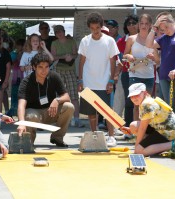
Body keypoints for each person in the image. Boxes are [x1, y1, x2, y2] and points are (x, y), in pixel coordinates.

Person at [78, 12, 120, 147]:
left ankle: (111, 136)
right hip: (88, 81)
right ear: (89, 28)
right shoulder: (85, 41)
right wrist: (80, 80)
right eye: (92, 28)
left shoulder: (109, 41)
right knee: (91, 112)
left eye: (97, 28)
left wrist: (112, 80)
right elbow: (81, 62)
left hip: (104, 82)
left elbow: (113, 61)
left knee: (107, 110)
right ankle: (94, 135)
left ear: (101, 27)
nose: (95, 31)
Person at [17, 52, 74, 147]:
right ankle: (28, 141)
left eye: (46, 67)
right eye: (40, 67)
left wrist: (57, 100)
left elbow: (66, 96)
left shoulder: (54, 76)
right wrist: (21, 123)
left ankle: (57, 138)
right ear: (34, 67)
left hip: (51, 111)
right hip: (34, 114)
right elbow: (21, 105)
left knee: (69, 107)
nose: (44, 70)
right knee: (31, 115)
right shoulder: (26, 81)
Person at [146, 12, 175, 118]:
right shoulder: (164, 38)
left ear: (172, 22)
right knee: (170, 106)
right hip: (164, 76)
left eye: (166, 27)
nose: (166, 30)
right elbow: (148, 44)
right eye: (162, 29)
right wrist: (154, 28)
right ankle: (174, 132)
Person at [122, 83, 175, 157]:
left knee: (139, 151)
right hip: (163, 129)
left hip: (167, 133)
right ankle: (154, 148)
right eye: (132, 96)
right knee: (133, 126)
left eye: (137, 95)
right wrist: (131, 130)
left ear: (144, 93)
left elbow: (143, 128)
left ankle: (173, 144)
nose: (134, 98)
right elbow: (143, 125)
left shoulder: (146, 104)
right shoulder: (146, 101)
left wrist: (136, 148)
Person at [123, 13, 160, 121]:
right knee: (136, 104)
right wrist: (128, 56)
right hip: (134, 75)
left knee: (147, 104)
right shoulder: (131, 39)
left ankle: (145, 130)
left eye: (146, 23)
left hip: (149, 76)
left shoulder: (154, 41)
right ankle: (136, 129)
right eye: (142, 23)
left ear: (150, 25)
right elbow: (124, 56)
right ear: (138, 25)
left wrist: (153, 57)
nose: (144, 26)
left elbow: (158, 61)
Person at [51, 25, 84, 128]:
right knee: (58, 95)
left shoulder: (71, 41)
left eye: (60, 31)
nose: (59, 34)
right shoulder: (54, 43)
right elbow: (53, 57)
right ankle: (58, 118)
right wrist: (64, 56)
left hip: (70, 70)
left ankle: (76, 119)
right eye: (57, 32)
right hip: (58, 70)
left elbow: (76, 54)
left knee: (74, 95)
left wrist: (71, 56)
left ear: (64, 32)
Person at [116, 14, 139, 128]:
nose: (131, 26)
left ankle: (142, 129)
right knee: (129, 101)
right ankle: (129, 128)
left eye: (133, 23)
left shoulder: (145, 38)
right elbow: (121, 58)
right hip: (127, 72)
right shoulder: (121, 41)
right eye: (128, 24)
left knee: (143, 102)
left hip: (143, 73)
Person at [6, 38, 25, 117]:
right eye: (18, 46)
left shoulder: (25, 53)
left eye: (21, 46)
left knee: (22, 94)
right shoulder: (13, 53)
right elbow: (10, 63)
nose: (19, 47)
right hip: (15, 76)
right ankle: (13, 111)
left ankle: (20, 111)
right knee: (14, 94)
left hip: (23, 76)